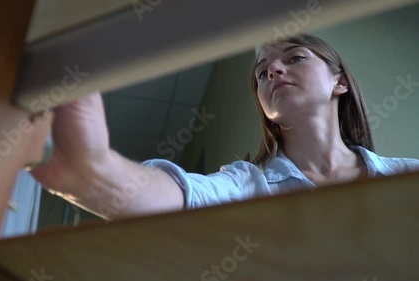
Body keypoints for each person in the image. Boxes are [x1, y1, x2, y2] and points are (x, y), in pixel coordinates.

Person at [30, 33, 419, 221]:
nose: (272, 69)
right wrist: (93, 170)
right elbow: (182, 195)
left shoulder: (409, 176)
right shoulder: (244, 185)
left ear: (340, 82)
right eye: (262, 72)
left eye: (295, 58)